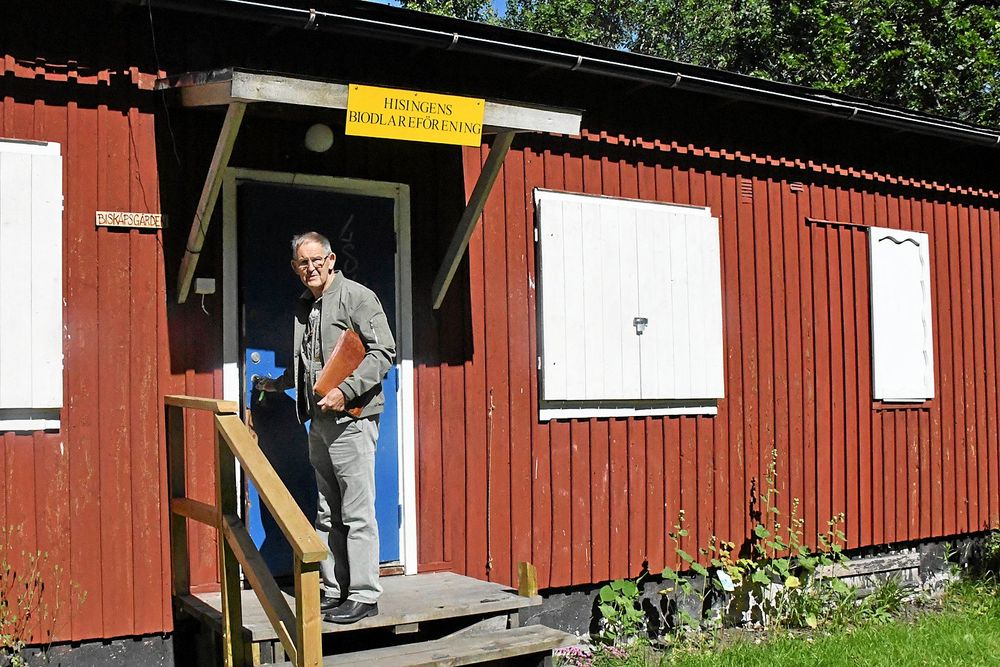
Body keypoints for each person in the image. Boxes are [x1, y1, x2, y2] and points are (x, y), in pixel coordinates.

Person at [259, 231, 395, 624]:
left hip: (352, 419)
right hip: (318, 421)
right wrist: (278, 384)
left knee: (356, 511)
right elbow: (312, 363)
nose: (311, 268)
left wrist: (345, 390)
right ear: (295, 268)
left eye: (317, 260)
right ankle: (336, 589)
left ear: (332, 259)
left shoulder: (358, 297)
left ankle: (365, 593)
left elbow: (383, 352)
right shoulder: (307, 306)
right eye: (303, 262)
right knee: (327, 510)